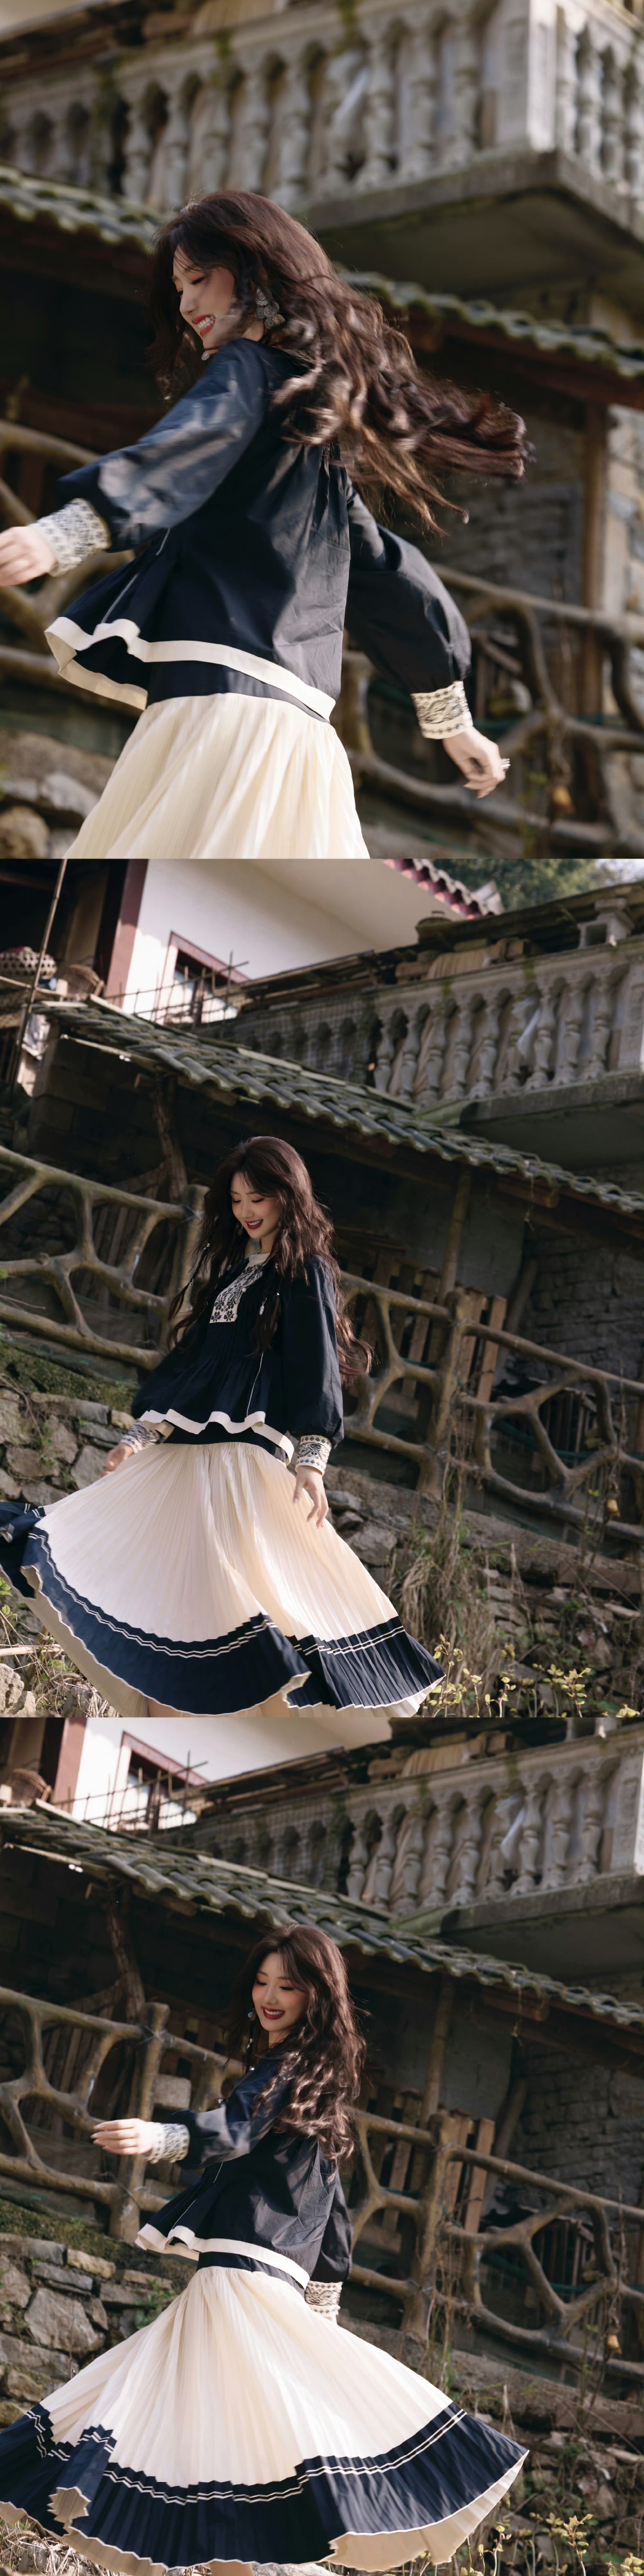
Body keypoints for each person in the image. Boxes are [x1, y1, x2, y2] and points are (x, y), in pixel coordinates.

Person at [0, 194, 524, 860]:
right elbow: (389, 575)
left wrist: (67, 532)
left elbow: (187, 448)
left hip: (222, 710)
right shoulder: (314, 436)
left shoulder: (248, 371)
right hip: (300, 743)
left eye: (198, 278)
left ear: (254, 269)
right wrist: (450, 719)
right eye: (178, 288)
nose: (188, 303)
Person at [0, 1923, 526, 2571]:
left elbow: (237, 2128)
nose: (269, 1998)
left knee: (153, 2408)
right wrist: (320, 2311)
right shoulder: (319, 2092)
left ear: (316, 1997)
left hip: (241, 2282)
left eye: (287, 1987)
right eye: (261, 1982)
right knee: (226, 2440)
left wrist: (164, 2137)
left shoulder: (289, 2071)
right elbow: (332, 2217)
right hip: (250, 2283)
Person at [0, 1137, 442, 1767]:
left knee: (238, 1609)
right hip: (181, 1462)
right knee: (163, 1600)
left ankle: (255, 1745)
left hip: (241, 1463)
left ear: (288, 1195)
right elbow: (189, 1367)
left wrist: (312, 1461)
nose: (246, 1211)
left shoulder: (305, 1271)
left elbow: (315, 1368)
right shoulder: (231, 1274)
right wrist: (137, 1437)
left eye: (258, 1198)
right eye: (236, 1200)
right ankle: (175, 1733)